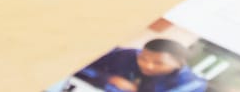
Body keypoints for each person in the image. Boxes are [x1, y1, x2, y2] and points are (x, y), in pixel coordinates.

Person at [75, 38, 207, 92]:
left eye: (158, 63)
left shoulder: (190, 85)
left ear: (179, 63)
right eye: (143, 58)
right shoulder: (129, 54)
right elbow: (79, 65)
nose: (147, 65)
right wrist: (109, 78)